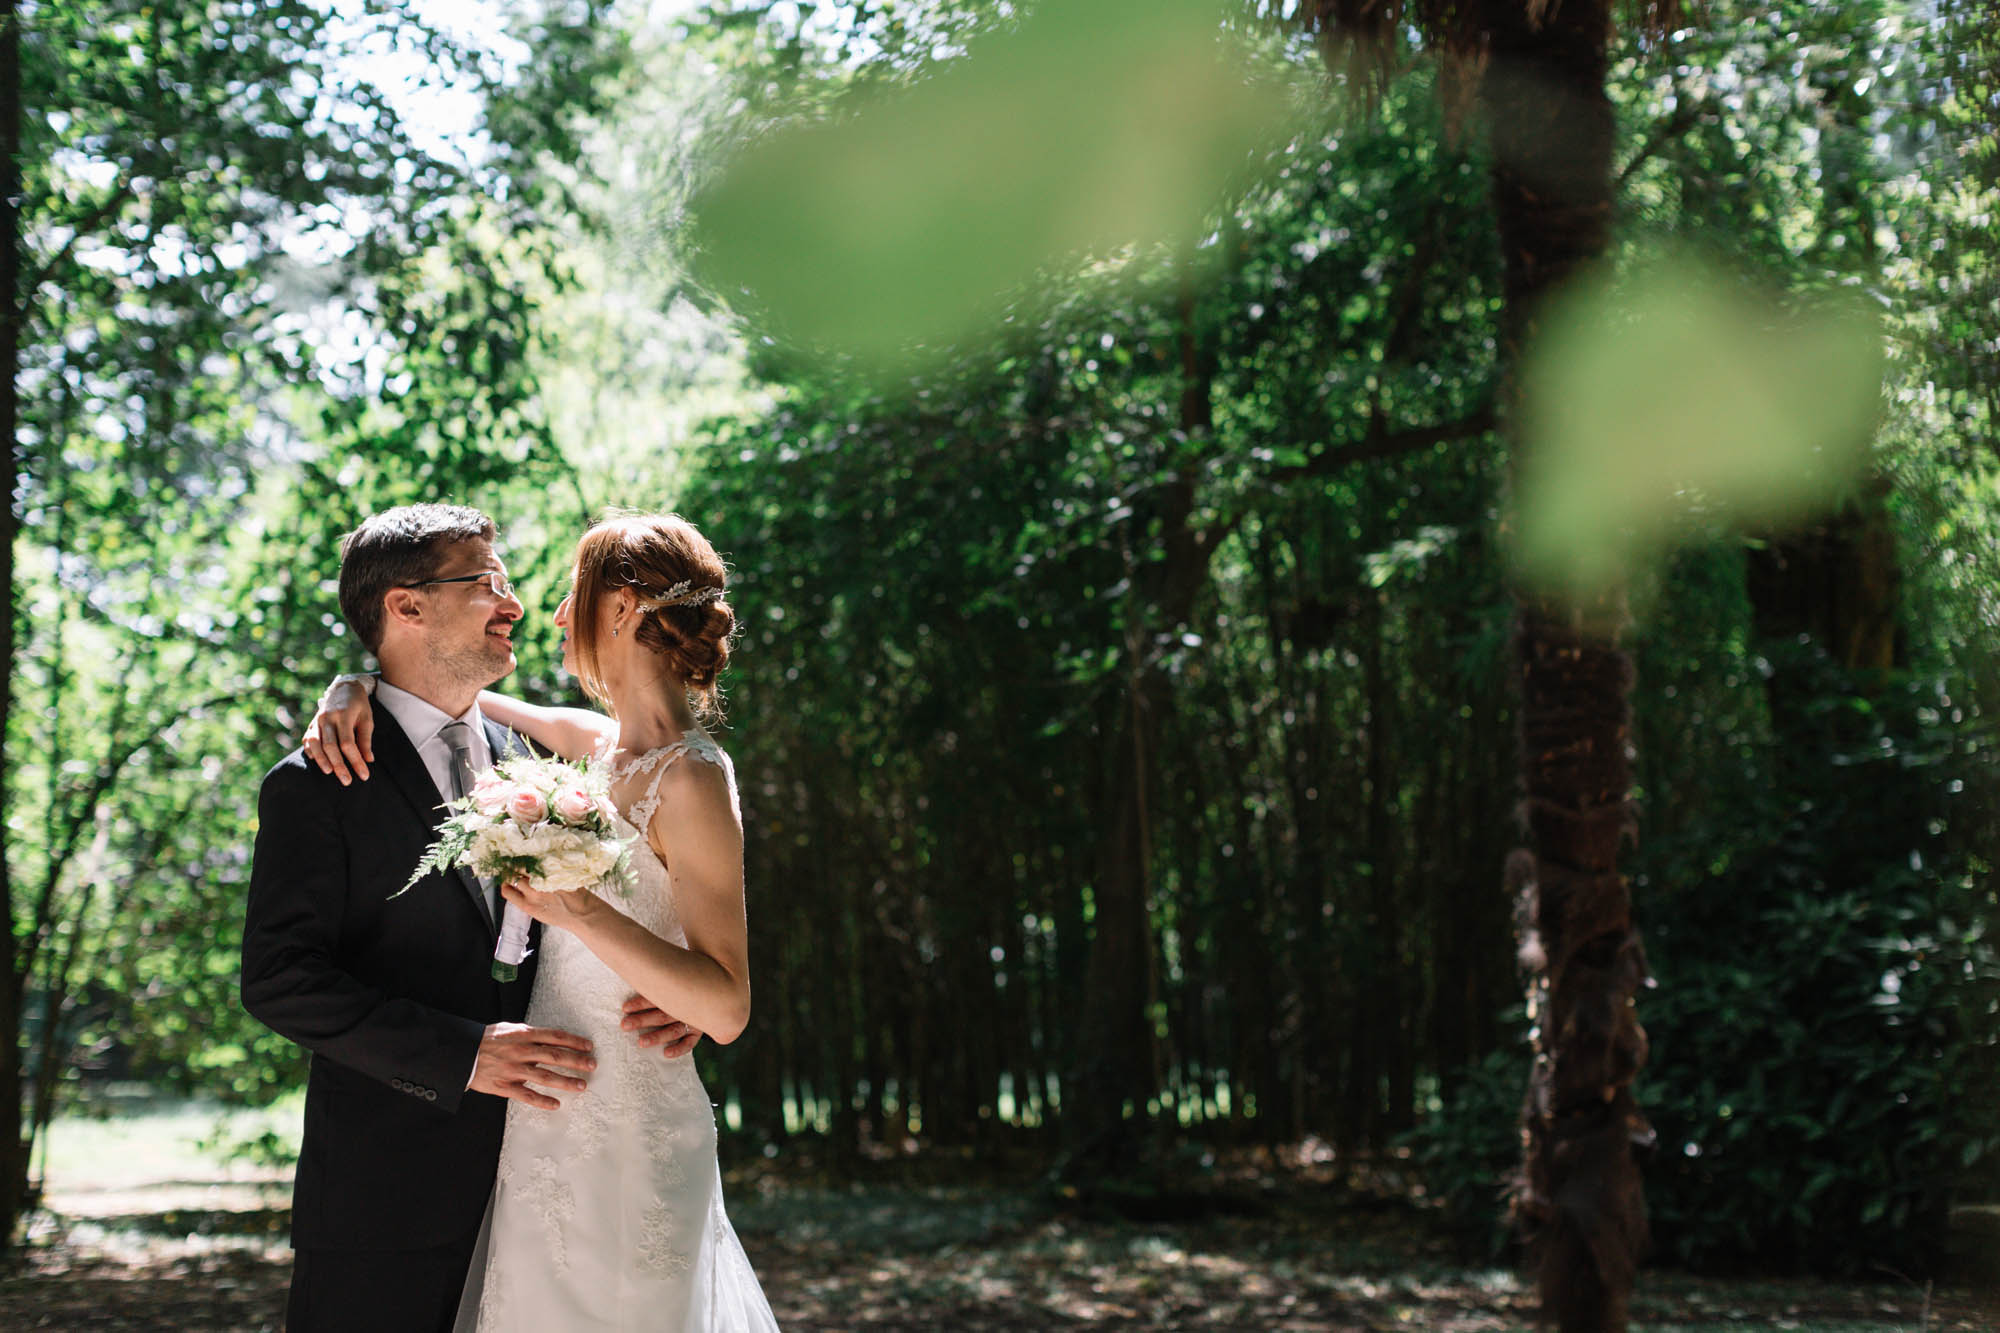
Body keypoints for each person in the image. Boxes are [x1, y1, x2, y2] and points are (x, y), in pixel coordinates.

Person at [304, 510, 779, 1333]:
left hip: (632, 1127)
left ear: (624, 607)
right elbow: (451, 689)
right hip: (540, 1123)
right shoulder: (600, 746)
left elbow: (727, 1005)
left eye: (572, 592)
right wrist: (354, 685)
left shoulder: (696, 776)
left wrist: (581, 912)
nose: (555, 612)